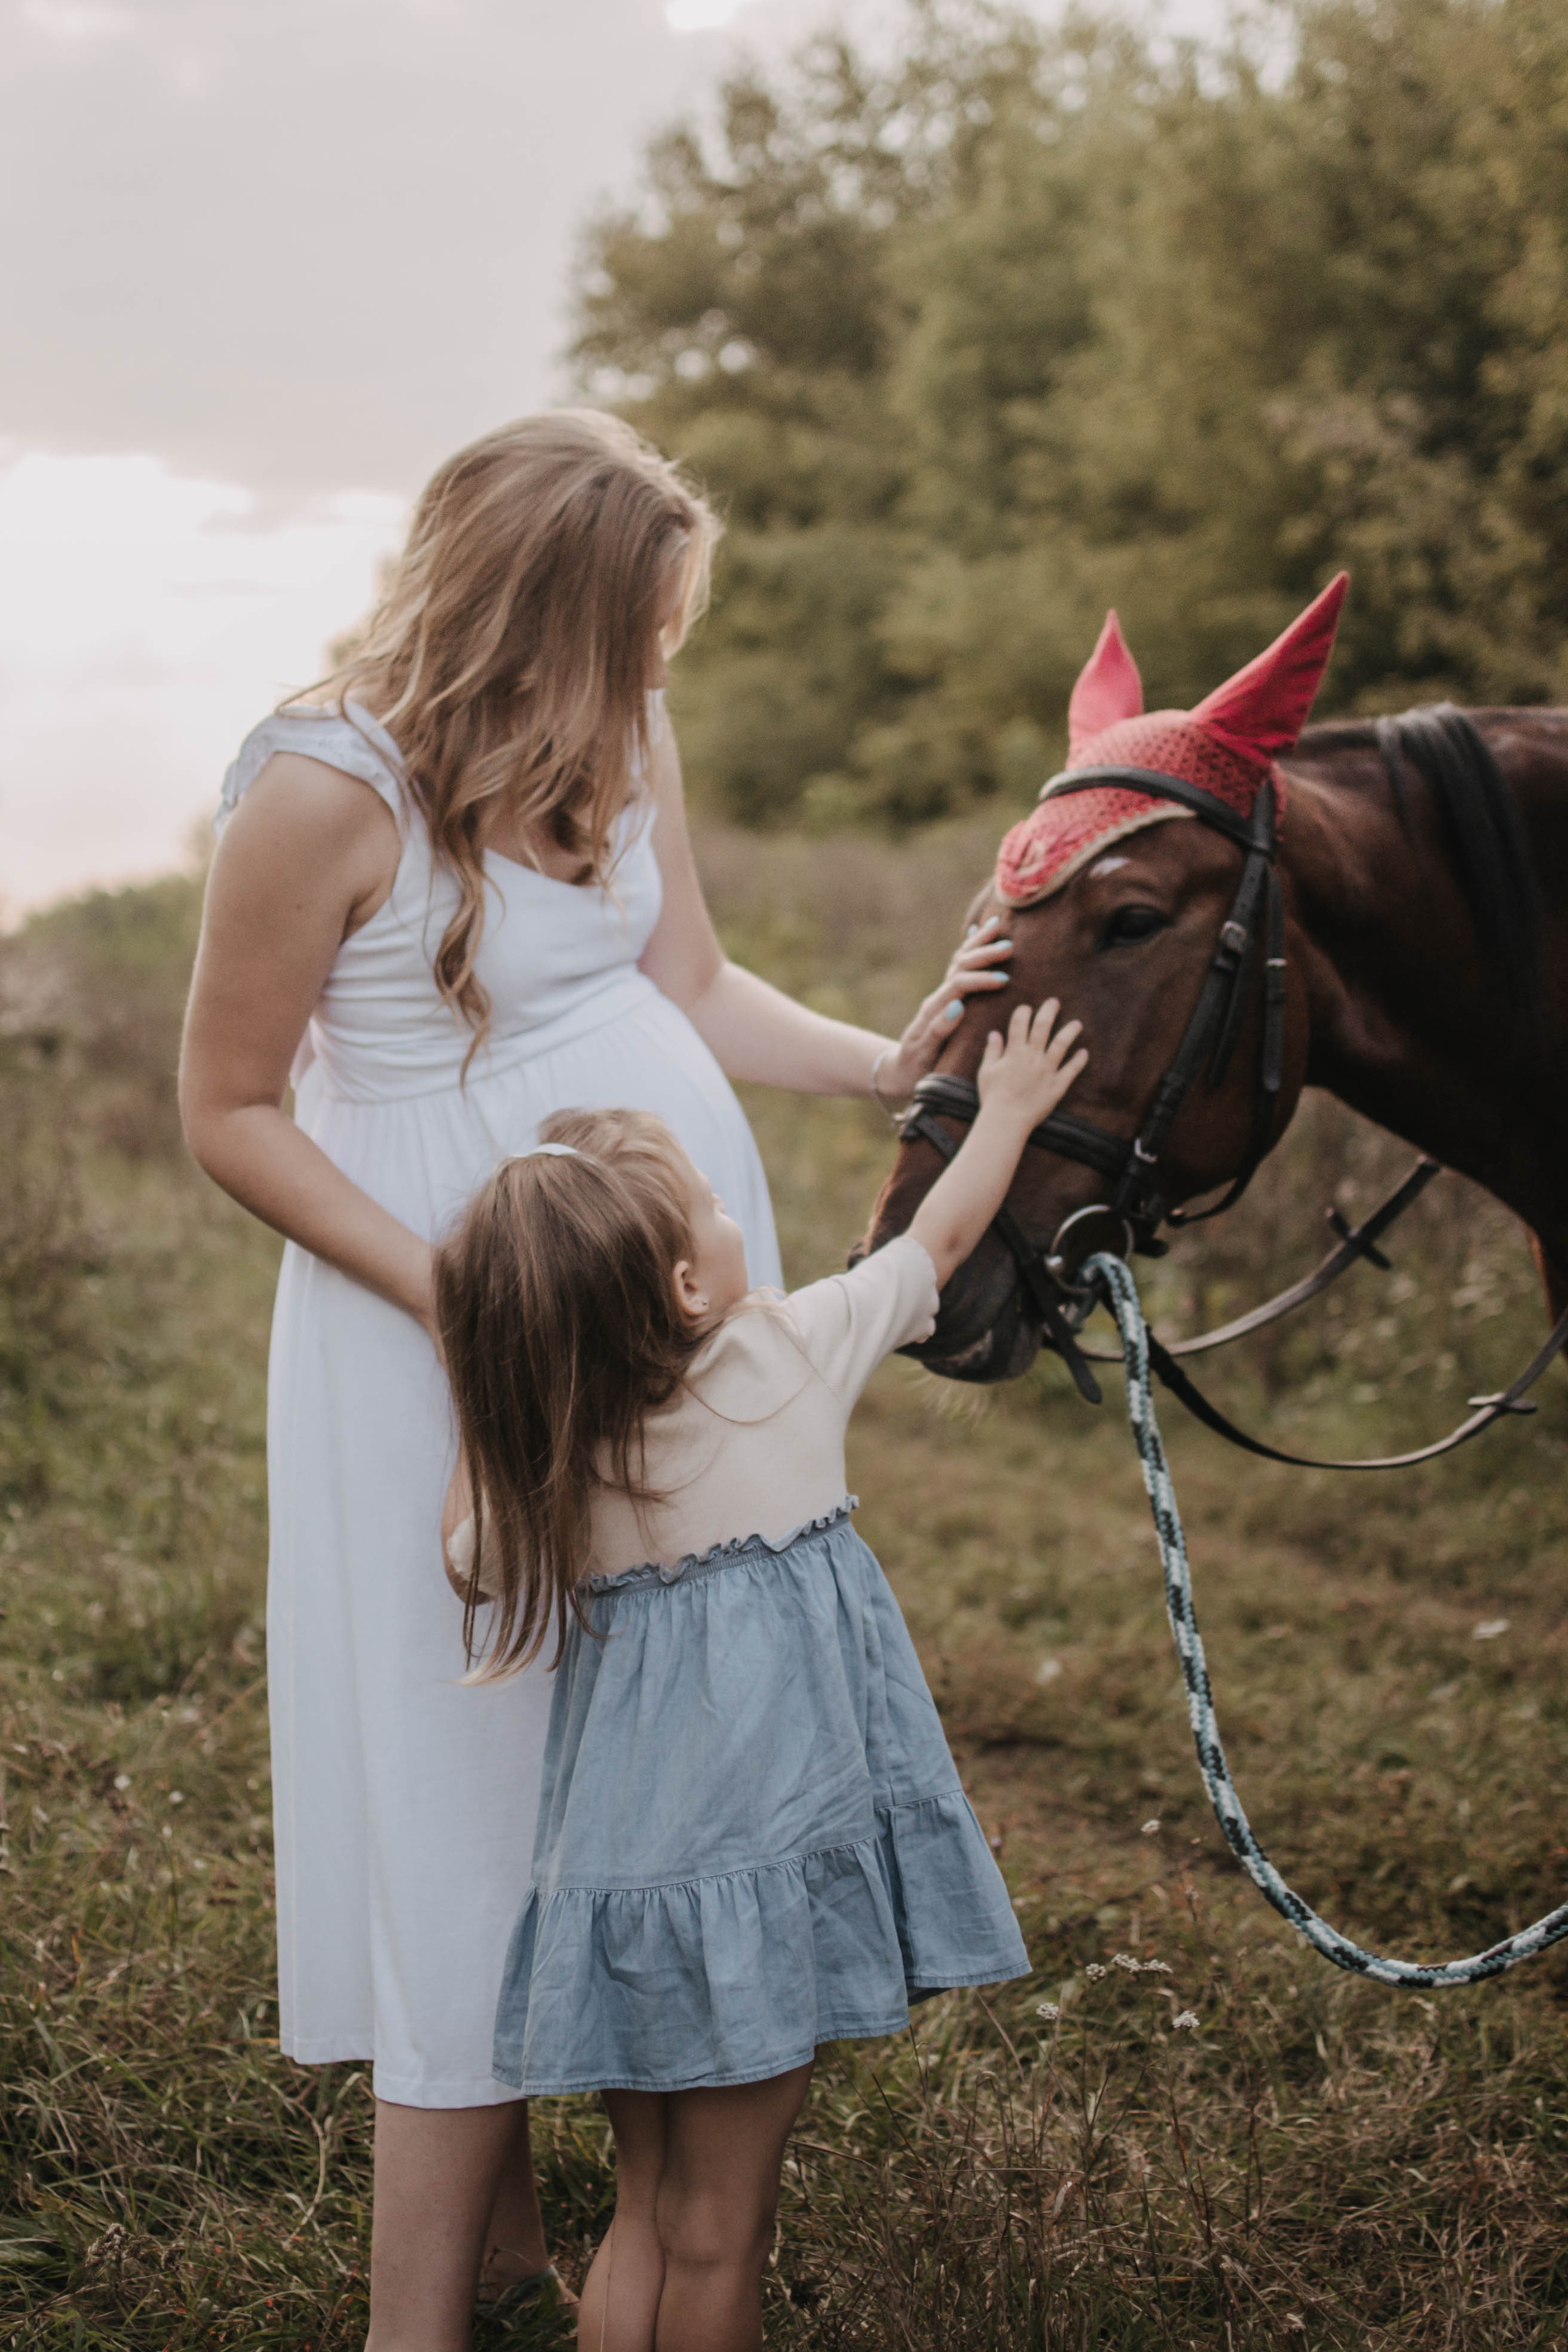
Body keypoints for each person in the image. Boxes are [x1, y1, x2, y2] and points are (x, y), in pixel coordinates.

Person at [176, 409, 1016, 2351]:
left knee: (638, 1740)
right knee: (474, 1778)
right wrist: (471, 1294)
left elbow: (690, 983)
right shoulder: (317, 794)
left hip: (661, 1308)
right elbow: (225, 1111)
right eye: (635, 627)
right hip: (436, 1332)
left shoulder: (626, 731)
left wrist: (888, 1062)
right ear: (520, 607)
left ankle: (531, 2237)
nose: (660, 669)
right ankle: (427, 2311)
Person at [435, 997, 1088, 2352]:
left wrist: (487, 1384)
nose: (740, 1225)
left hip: (624, 1896)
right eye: (715, 1210)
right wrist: (1012, 1111)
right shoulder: (782, 1357)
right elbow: (940, 1242)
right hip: (758, 1880)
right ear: (686, 1287)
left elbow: (463, 1558)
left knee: (642, 2214)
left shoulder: (555, 1464)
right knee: (724, 2231)